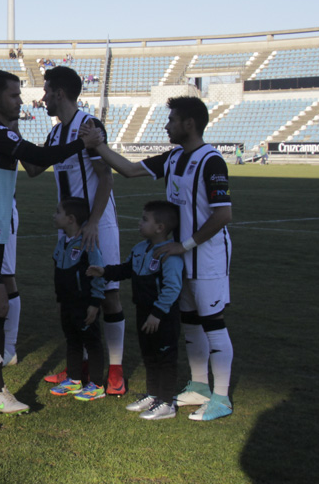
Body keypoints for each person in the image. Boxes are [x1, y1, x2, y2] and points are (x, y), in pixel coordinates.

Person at [0, 70, 101, 415]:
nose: (22, 101)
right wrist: (81, 144)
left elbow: (31, 167)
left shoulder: (1, 131)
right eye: (14, 96)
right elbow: (42, 159)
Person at [86, 95, 234, 421]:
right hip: (178, 256)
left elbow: (223, 214)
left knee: (213, 324)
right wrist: (98, 146)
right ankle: (199, 386)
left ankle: (222, 399)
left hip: (206, 256)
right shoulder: (174, 157)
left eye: (171, 120)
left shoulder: (211, 160)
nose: (166, 125)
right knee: (190, 324)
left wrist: (187, 244)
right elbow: (126, 169)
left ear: (189, 124)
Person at [25, 66, 125, 395]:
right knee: (72, 297)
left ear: (60, 94)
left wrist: (93, 223)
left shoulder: (90, 127)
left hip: (97, 226)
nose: (43, 98)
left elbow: (106, 178)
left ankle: (114, 371)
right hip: (68, 228)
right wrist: (9, 134)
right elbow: (34, 168)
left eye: (46, 91)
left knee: (107, 295)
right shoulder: (56, 134)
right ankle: (79, 368)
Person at [87, 200, 185, 420]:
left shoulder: (169, 255)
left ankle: (167, 403)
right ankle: (152, 395)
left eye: (144, 220)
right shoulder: (140, 249)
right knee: (149, 355)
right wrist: (104, 271)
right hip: (143, 312)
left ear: (160, 227)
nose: (139, 223)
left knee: (165, 357)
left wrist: (157, 314)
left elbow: (172, 288)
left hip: (163, 317)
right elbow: (126, 269)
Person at [46, 197, 107, 402]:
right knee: (72, 341)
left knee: (92, 342)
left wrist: (95, 303)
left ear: (71, 219)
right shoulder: (62, 243)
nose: (54, 216)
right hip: (67, 303)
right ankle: (74, 379)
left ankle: (97, 385)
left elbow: (98, 274)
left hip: (84, 304)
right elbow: (58, 274)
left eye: (58, 212)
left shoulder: (87, 244)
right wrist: (59, 300)